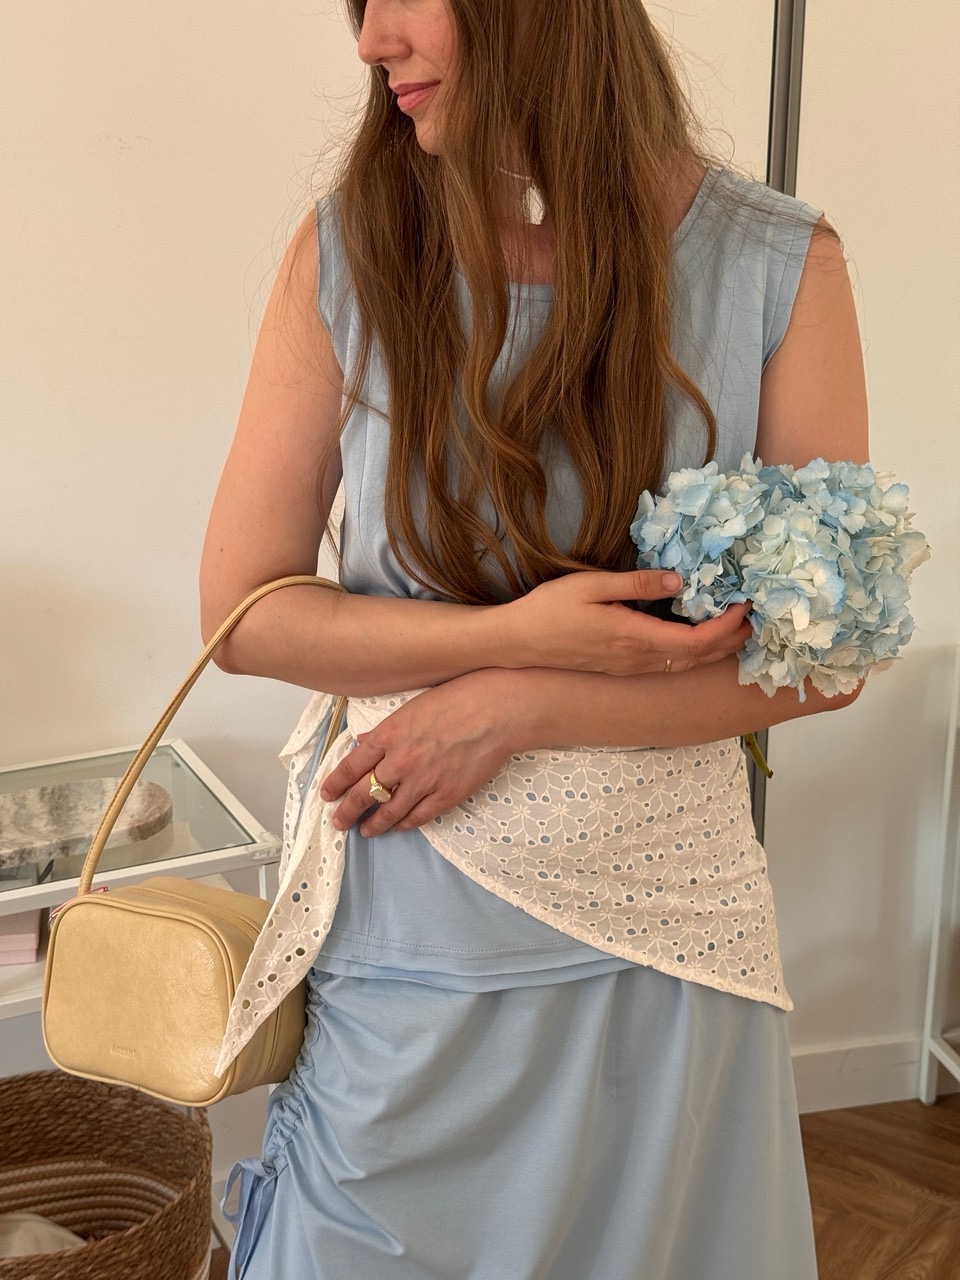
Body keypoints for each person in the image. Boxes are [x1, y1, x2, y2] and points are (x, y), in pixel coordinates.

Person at [200, 1, 868, 1276]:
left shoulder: (781, 263)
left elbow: (823, 656)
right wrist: (515, 634)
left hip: (668, 944)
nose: (370, 40)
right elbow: (243, 613)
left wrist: (518, 701)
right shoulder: (352, 251)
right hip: (416, 941)